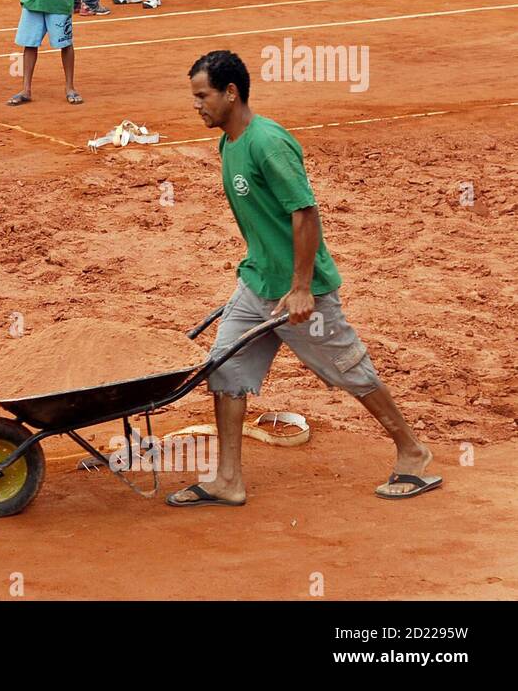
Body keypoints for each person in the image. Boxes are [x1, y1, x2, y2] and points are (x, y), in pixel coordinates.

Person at [173, 50, 440, 506]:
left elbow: (305, 212)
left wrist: (300, 287)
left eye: (203, 96)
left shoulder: (267, 143)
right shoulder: (230, 143)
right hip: (257, 283)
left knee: (349, 371)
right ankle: (229, 479)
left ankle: (412, 453)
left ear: (231, 93)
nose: (196, 105)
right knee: (224, 370)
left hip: (301, 292)